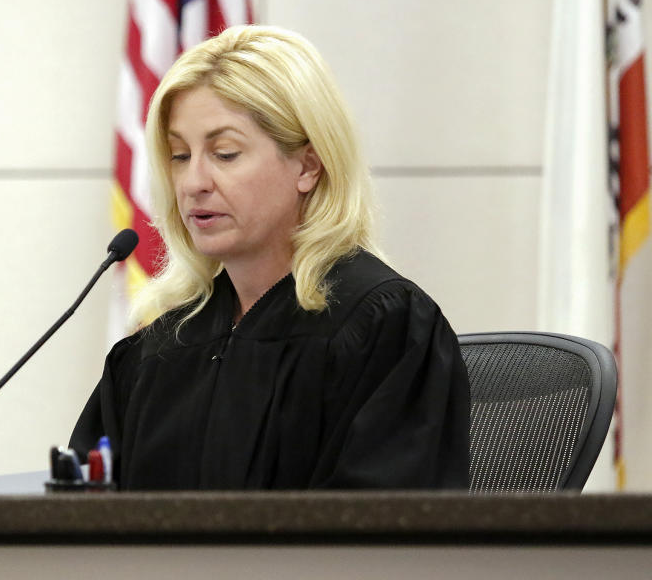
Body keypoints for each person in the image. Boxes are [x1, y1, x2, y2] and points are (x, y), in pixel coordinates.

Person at [71, 25, 470, 490]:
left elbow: (379, 547)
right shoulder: (157, 353)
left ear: (307, 166)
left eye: (225, 153)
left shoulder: (385, 328)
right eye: (180, 155)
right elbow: (84, 519)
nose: (193, 182)